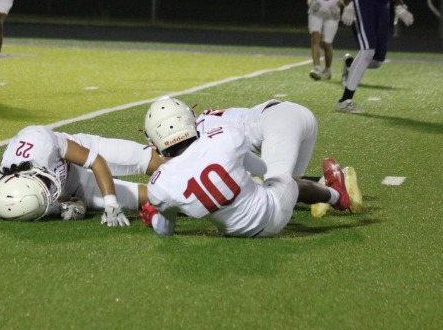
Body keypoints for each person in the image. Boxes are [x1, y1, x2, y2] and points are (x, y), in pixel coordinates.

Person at [138, 97, 351, 238]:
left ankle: (332, 192)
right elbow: (261, 168)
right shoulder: (221, 135)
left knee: (277, 184)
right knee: (285, 182)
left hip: (238, 233)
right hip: (274, 210)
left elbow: (165, 229)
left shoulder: (160, 183)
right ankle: (336, 196)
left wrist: (155, 217)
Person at [195, 99, 363, 217]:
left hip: (279, 123)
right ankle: (329, 181)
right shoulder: (206, 119)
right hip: (297, 115)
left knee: (274, 196)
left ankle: (336, 195)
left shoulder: (199, 135)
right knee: (292, 187)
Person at [0, 125, 163, 226]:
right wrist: (72, 206)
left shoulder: (41, 145)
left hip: (82, 151)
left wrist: (111, 203)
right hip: (75, 185)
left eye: (44, 186)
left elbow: (96, 161)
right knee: (156, 197)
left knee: (152, 162)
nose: (49, 195)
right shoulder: (23, 203)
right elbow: (69, 203)